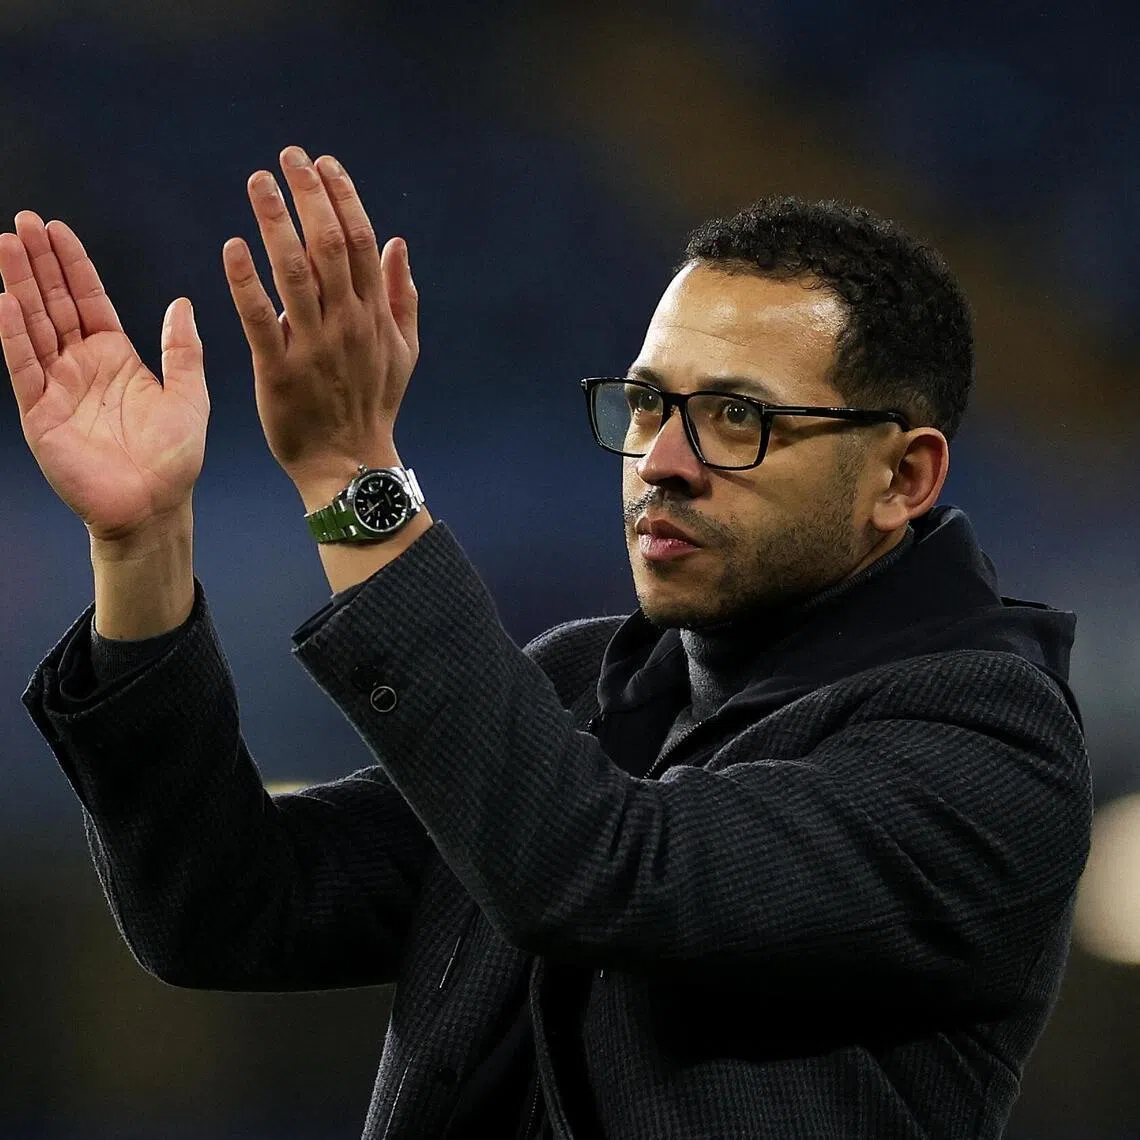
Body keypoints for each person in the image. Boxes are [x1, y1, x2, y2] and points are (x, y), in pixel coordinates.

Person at [1, 147, 1091, 1139]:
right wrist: (140, 544)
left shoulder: (988, 750)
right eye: (650, 404)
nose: (661, 460)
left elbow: (597, 871)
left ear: (903, 478)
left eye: (737, 419)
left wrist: (352, 482)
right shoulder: (588, 683)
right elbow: (228, 910)